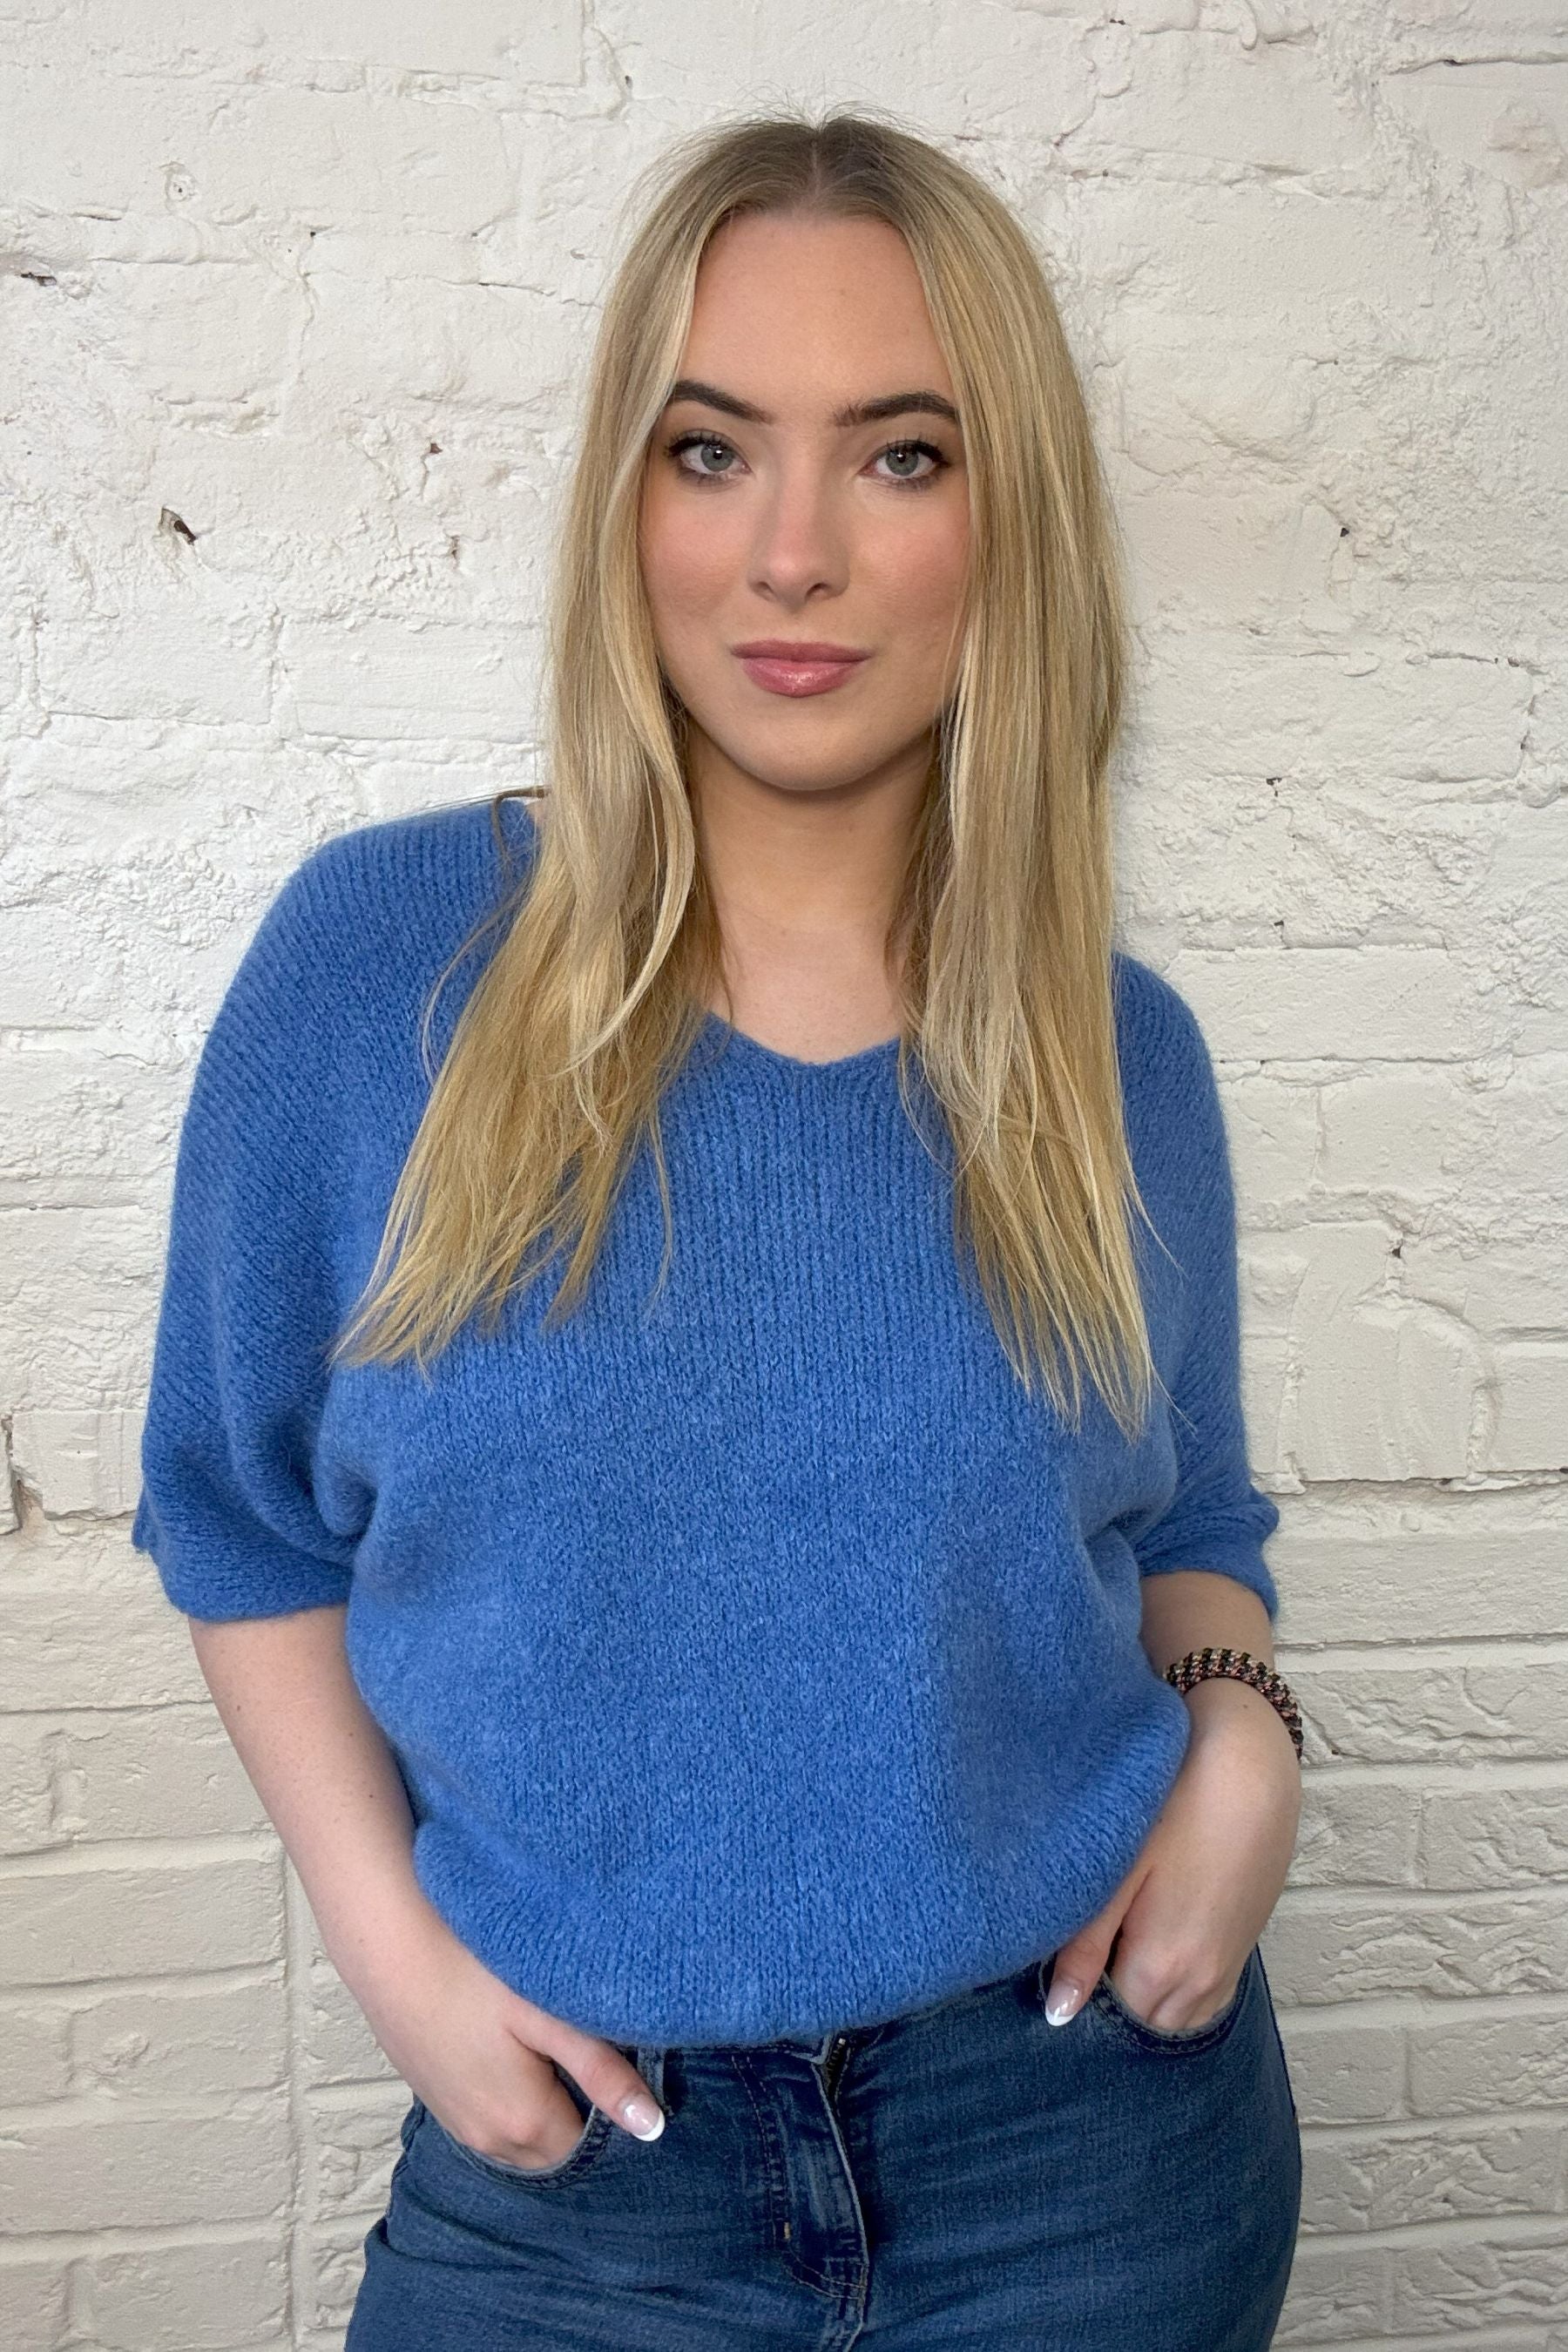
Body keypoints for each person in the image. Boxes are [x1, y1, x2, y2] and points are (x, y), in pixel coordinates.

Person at [132, 106, 1304, 2350]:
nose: (791, 555)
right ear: (628, 501)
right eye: (710, 451)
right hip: (580, 2194)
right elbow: (240, 1518)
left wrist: (1242, 1741)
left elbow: (1189, 1522)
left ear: (1013, 525)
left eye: (900, 457)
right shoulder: (382, 978)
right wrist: (398, 1959)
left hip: (1090, 2165)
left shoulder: (1115, 1054)